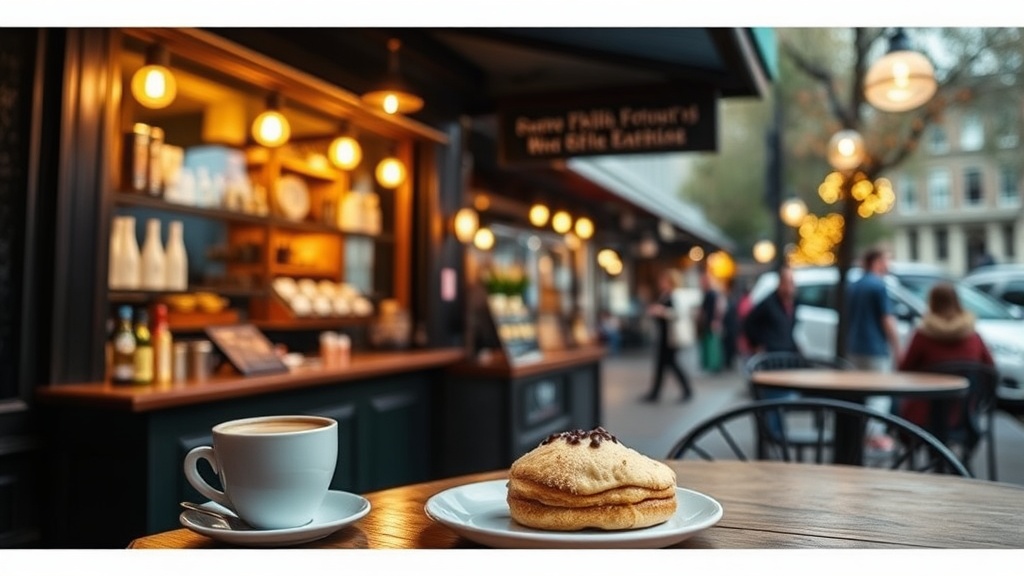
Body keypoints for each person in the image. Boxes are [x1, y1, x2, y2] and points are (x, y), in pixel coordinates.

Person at [897, 282, 995, 429]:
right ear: (957, 302)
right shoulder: (973, 336)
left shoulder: (923, 335)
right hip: (965, 413)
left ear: (931, 303)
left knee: (895, 406)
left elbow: (904, 368)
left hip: (925, 414)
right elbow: (990, 368)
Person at [845, 248, 901, 450]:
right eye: (887, 259)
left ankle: (860, 434)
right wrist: (897, 347)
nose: (889, 264)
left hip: (854, 346)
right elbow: (887, 320)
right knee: (879, 394)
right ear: (877, 261)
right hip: (874, 347)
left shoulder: (854, 284)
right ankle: (873, 436)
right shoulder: (878, 285)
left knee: (859, 393)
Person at [641, 269, 695, 403]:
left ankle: (686, 390)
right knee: (662, 365)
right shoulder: (665, 295)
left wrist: (662, 312)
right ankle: (655, 393)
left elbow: (678, 314)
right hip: (664, 335)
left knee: (671, 363)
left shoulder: (676, 295)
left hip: (671, 337)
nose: (661, 283)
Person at [742, 264, 799, 356]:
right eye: (789, 283)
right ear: (781, 283)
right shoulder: (768, 303)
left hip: (786, 353)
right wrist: (757, 344)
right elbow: (749, 322)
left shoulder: (793, 304)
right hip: (771, 355)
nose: (792, 287)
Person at [697, 270, 725, 374]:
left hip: (711, 323)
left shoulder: (711, 294)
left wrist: (715, 320)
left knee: (713, 346)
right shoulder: (709, 293)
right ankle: (713, 365)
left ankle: (715, 366)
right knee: (710, 345)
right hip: (709, 322)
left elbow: (716, 308)